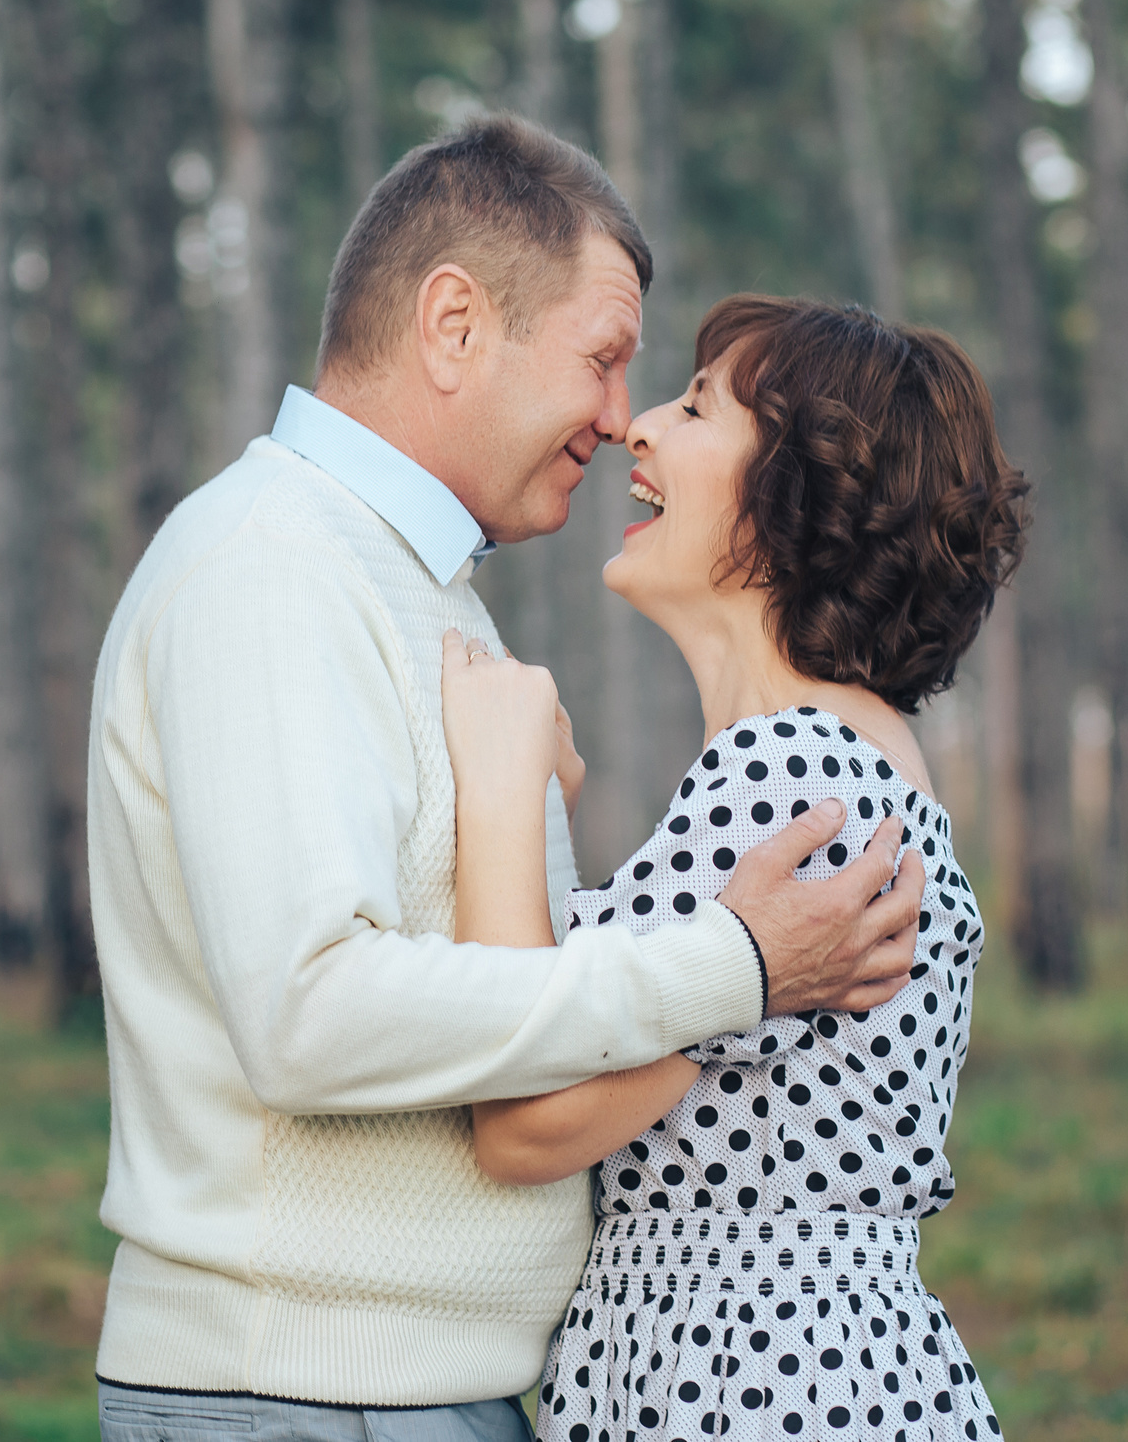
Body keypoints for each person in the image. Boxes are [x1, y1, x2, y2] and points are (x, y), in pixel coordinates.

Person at [86, 118, 929, 1441]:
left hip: (398, 1389)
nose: (615, 416)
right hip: (309, 1389)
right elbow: (306, 1008)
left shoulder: (412, 590)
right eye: (602, 358)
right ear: (455, 322)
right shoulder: (272, 567)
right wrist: (733, 964)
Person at [439, 294, 1026, 1442]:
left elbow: (523, 1119)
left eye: (698, 406)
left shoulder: (787, 779)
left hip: (749, 1387)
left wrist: (501, 793)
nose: (636, 427)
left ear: (802, 495)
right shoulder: (838, 767)